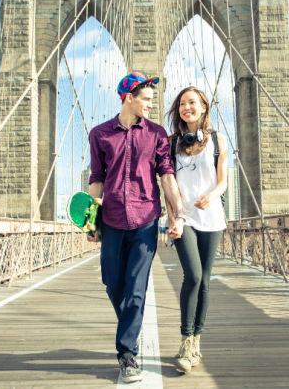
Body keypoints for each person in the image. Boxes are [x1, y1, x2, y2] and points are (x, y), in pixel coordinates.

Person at [88, 72, 185, 383]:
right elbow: (97, 179)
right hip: (112, 220)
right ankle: (130, 327)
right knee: (112, 282)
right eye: (146, 99)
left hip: (145, 219)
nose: (151, 105)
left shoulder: (157, 135)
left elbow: (167, 176)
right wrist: (91, 218)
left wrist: (177, 214)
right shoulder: (100, 134)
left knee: (136, 289)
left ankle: (127, 353)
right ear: (128, 97)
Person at [166, 86, 228, 374]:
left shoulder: (217, 140)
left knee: (205, 280)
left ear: (204, 106)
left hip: (212, 217)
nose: (185, 107)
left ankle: (196, 341)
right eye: (181, 104)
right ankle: (185, 340)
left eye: (191, 102)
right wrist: (174, 217)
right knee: (192, 275)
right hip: (185, 218)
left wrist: (212, 196)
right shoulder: (171, 144)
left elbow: (223, 182)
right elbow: (167, 186)